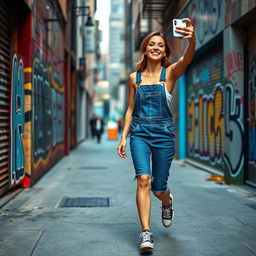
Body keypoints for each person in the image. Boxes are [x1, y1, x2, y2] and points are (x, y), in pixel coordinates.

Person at [117, 18, 195, 251]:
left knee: (158, 188)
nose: (156, 47)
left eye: (160, 45)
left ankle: (167, 201)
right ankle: (146, 232)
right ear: (145, 48)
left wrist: (192, 40)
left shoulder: (169, 74)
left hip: (163, 134)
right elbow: (130, 109)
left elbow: (186, 59)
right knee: (143, 179)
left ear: (164, 51)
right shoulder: (134, 78)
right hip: (139, 133)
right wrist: (123, 137)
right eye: (152, 43)